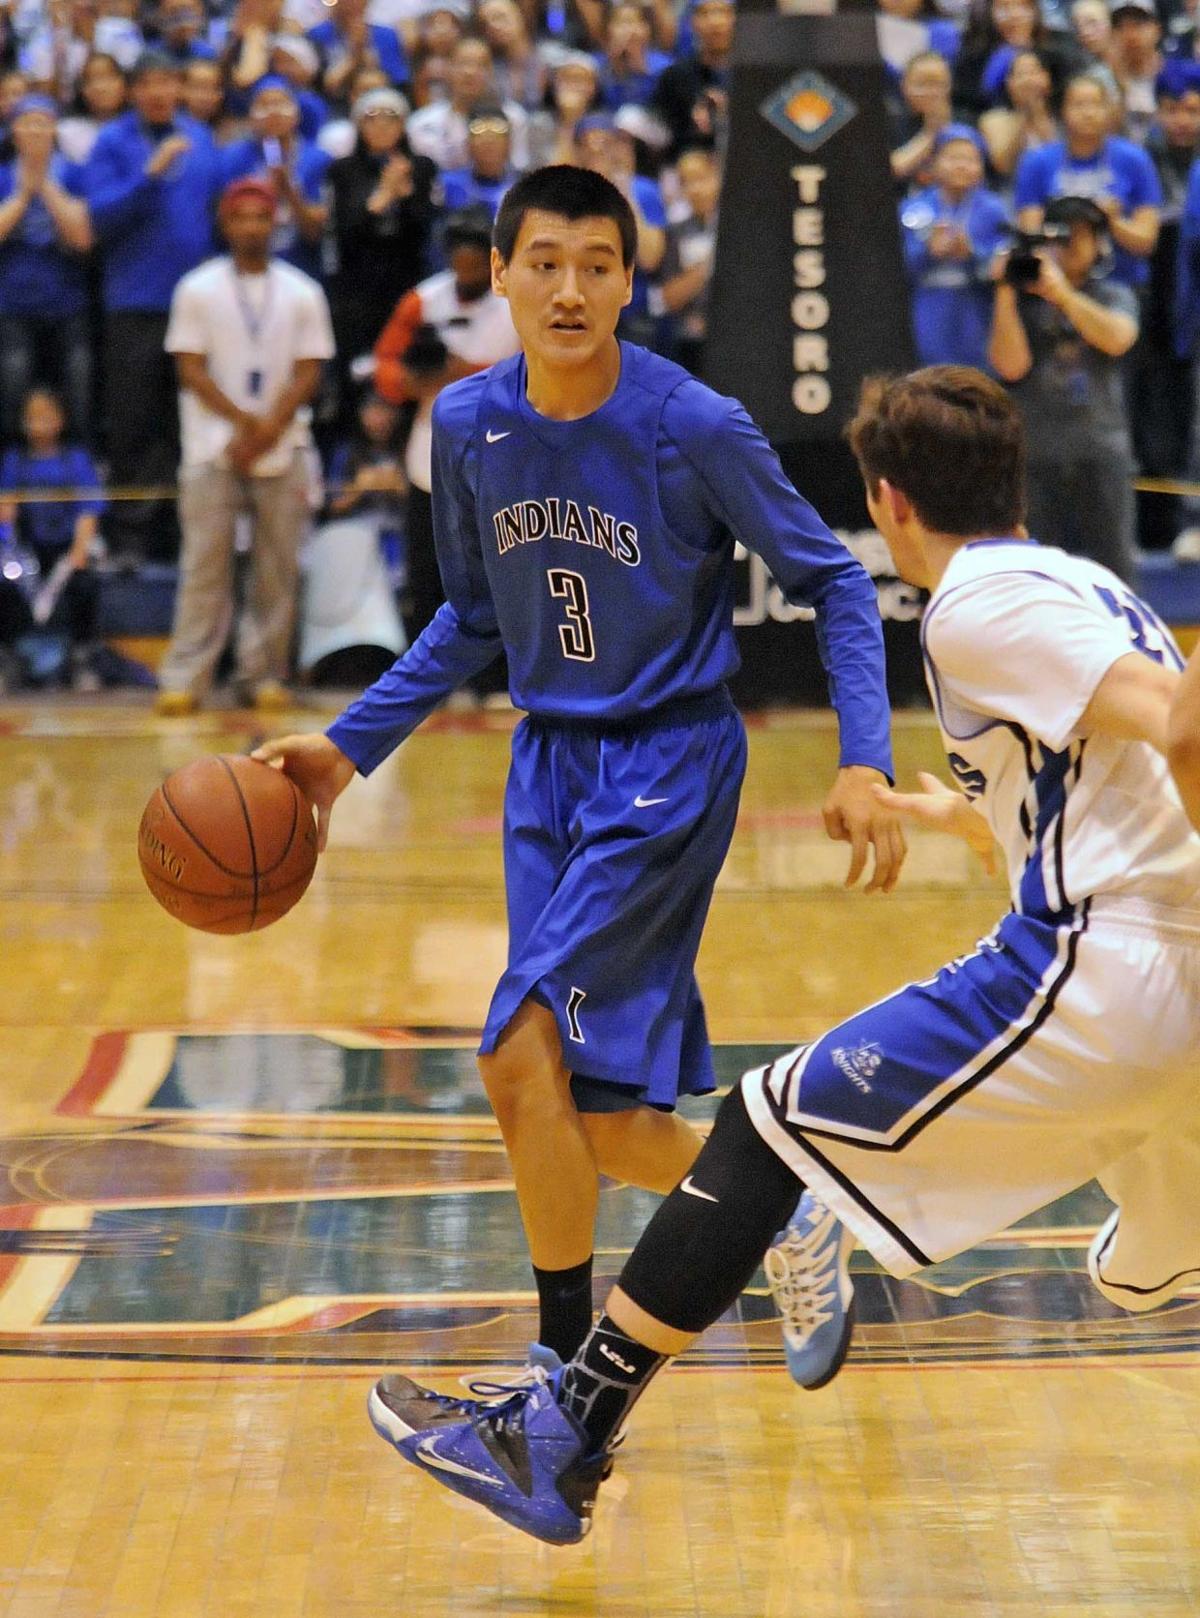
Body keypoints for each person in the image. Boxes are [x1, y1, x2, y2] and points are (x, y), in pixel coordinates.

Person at [367, 364, 1200, 1546]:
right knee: (1136, 1270)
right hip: (1173, 990)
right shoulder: (1090, 584)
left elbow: (1177, 724)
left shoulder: (980, 604)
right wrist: (967, 815)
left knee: (762, 1128)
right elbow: (1112, 782)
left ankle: (560, 1433)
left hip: (1108, 966)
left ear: (888, 502)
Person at [253, 164, 903, 1377]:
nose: (568, 290)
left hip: (669, 758)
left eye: (596, 266)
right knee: (585, 1108)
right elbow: (472, 619)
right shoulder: (466, 423)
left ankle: (560, 1379)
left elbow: (836, 581)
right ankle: (782, 1218)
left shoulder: (691, 423)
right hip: (545, 768)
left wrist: (864, 757)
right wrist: (347, 750)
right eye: (544, 264)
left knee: (513, 1047)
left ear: (628, 282)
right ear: (498, 273)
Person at [154, 177, 334, 714]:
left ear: (275, 223)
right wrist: (244, 424)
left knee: (277, 569)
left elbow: (309, 370)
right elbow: (190, 368)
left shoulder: (303, 291)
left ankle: (265, 674)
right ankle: (186, 678)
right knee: (204, 566)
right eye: (242, 217)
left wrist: (268, 427)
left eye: (261, 217)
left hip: (283, 443)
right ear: (225, 224)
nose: (252, 227)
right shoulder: (196, 288)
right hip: (212, 446)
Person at [84, 50, 223, 561]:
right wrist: (149, 175)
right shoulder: (112, 141)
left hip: (198, 307)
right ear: (133, 91)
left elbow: (217, 216)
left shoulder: (201, 138)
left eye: (168, 82)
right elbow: (99, 217)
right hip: (134, 304)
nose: (159, 92)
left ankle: (186, 536)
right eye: (148, 83)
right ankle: (133, 541)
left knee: (188, 423)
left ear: (179, 88)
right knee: (134, 423)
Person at [989, 194, 1139, 580]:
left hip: (1100, 450)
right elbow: (1010, 366)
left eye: (1081, 235)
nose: (1071, 244)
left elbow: (1118, 339)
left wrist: (1062, 295)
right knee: (1038, 573)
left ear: (1098, 243)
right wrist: (1005, 291)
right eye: (1062, 235)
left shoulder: (1113, 294)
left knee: (1116, 570)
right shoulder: (1021, 300)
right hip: (1037, 452)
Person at [325, 86, 438, 417]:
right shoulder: (342, 170)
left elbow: (425, 231)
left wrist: (405, 197)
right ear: (359, 125)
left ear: (403, 125)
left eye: (391, 117)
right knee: (356, 372)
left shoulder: (422, 168)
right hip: (357, 289)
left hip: (405, 283)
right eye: (371, 117)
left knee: (404, 371)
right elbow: (344, 232)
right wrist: (382, 198)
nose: (381, 125)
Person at [0, 96, 95, 443]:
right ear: (14, 131)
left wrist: (45, 184)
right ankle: (11, 465)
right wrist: (24, 194)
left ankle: (81, 462)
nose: (35, 131)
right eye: (27, 123)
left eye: (43, 123)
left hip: (68, 302)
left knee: (79, 390)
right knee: (12, 389)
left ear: (55, 129)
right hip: (13, 302)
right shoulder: (3, 175)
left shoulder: (74, 173)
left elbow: (82, 239)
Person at [1014, 70, 1162, 290]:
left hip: (1123, 282)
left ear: (1110, 110)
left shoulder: (1135, 160)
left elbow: (1147, 241)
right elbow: (1031, 237)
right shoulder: (1037, 162)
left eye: (1096, 104)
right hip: (1054, 284)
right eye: (1079, 105)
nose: (1088, 113)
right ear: (1062, 111)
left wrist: (1111, 221)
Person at [0, 387, 105, 690]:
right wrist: (9, 550)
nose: (40, 423)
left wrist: (78, 552)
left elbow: (89, 511)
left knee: (85, 583)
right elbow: (6, 512)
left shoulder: (76, 459)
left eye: (47, 416)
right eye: (33, 417)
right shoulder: (15, 461)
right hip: (28, 550)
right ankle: (8, 656)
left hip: (67, 550)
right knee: (4, 583)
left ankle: (82, 656)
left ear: (61, 419)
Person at [372, 205, 520, 406]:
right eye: (461, 267)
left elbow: (536, 375)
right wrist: (407, 381)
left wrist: (468, 372)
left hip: (502, 410)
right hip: (434, 408)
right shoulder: (422, 300)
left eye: (475, 267)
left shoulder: (518, 304)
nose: (467, 275)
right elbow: (384, 362)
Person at [901, 122, 1010, 368]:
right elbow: (895, 269)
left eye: (970, 159)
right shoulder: (913, 208)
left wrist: (973, 254)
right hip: (927, 311)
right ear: (934, 163)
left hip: (977, 313)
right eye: (952, 158)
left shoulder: (994, 210)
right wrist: (927, 252)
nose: (961, 165)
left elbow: (1006, 265)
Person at [219, 77, 331, 281]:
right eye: (264, 105)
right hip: (244, 269)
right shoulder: (233, 157)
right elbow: (224, 223)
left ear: (296, 115)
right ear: (251, 116)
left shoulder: (318, 159)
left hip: (302, 268)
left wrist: (288, 190)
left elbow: (316, 232)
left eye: (281, 103)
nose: (273, 112)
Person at [659, 140, 720, 375]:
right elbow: (670, 297)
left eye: (701, 178)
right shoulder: (676, 232)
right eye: (686, 182)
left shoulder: (741, 227)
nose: (695, 189)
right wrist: (707, 266)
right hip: (691, 342)